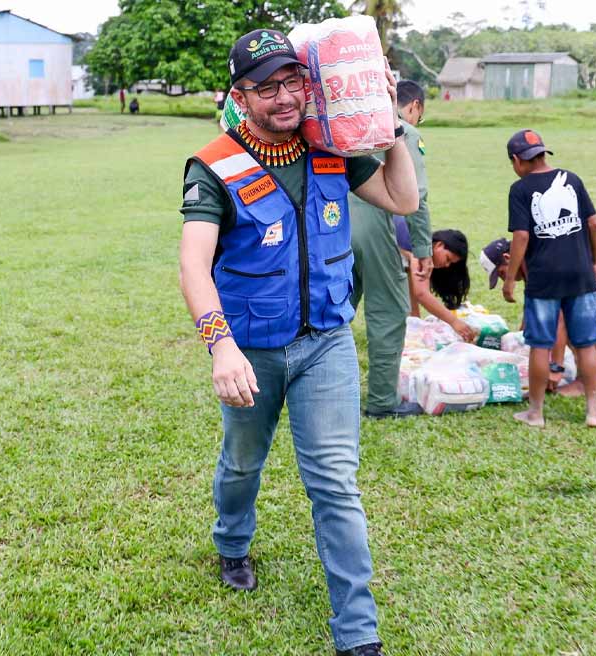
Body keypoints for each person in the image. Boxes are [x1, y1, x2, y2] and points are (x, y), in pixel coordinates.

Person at [178, 28, 417, 656]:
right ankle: (233, 542)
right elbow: (193, 266)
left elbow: (402, 197)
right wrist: (220, 347)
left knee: (336, 483)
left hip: (327, 343)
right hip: (251, 350)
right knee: (241, 464)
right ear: (241, 94)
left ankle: (358, 636)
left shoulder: (331, 149)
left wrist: (388, 122)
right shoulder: (214, 165)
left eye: (292, 82)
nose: (283, 98)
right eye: (265, 87)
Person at [499, 129, 596, 428]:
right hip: (580, 274)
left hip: (543, 278)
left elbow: (521, 236)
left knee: (540, 345)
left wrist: (510, 279)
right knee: (586, 344)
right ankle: (594, 412)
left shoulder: (520, 189)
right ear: (543, 154)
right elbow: (595, 224)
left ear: (516, 160)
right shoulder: (572, 179)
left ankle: (535, 413)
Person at [349, 80, 435, 419]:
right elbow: (418, 198)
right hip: (373, 230)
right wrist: (423, 248)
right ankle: (383, 403)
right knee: (388, 313)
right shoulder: (406, 134)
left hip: (333, 228)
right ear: (413, 107)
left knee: (331, 313)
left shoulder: (352, 125)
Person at [481, 226, 596, 396]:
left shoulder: (535, 258)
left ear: (508, 258)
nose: (505, 279)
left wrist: (556, 367)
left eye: (502, 274)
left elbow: (559, 317)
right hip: (584, 259)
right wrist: (520, 345)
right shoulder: (527, 261)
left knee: (585, 316)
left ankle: (586, 382)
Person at [393, 221, 476, 340]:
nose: (447, 266)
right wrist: (454, 322)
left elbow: (413, 297)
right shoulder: (420, 245)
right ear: (439, 245)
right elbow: (421, 294)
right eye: (448, 259)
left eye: (450, 263)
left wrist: (416, 329)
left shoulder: (413, 257)